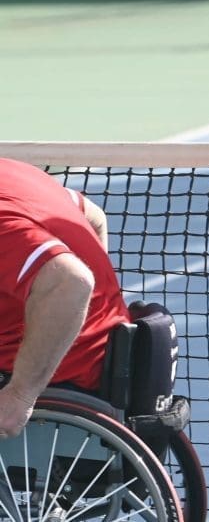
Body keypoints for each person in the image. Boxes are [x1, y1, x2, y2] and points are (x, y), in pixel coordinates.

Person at [0, 157, 131, 439]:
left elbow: (72, 283)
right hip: (105, 354)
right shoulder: (13, 172)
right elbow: (94, 216)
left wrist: (20, 396)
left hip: (66, 376)